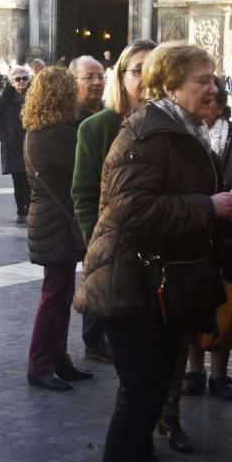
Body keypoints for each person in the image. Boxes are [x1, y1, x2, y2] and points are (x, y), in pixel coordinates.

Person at [75, 42, 232, 462]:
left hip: (155, 284)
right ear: (170, 85)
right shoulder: (149, 134)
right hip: (131, 285)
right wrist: (209, 207)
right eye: (202, 79)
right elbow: (132, 210)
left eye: (213, 78)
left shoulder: (177, 130)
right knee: (138, 397)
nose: (214, 87)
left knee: (152, 392)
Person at [71, 39, 157, 368]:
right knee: (132, 362)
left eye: (155, 69)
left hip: (164, 255)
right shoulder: (97, 128)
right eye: (138, 70)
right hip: (116, 254)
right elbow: (83, 193)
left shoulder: (177, 126)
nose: (147, 78)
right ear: (121, 77)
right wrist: (97, 244)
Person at [182, 77, 232, 401]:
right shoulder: (184, 137)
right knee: (192, 307)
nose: (206, 108)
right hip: (195, 236)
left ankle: (220, 375)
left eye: (212, 103)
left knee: (228, 307)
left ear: (223, 108)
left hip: (230, 238)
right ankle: (194, 370)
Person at [23, 66, 92, 391]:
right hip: (57, 223)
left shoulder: (38, 130)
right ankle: (39, 364)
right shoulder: (58, 135)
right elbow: (87, 167)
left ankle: (59, 359)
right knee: (54, 296)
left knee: (60, 294)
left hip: (49, 219)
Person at [0, 65, 30, 221]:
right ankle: (20, 209)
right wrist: (5, 137)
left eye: (24, 78)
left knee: (29, 180)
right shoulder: (5, 100)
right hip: (13, 146)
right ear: (12, 81)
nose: (21, 82)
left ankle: (28, 209)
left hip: (31, 146)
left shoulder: (34, 97)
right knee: (18, 179)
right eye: (18, 79)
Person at [70, 56, 105, 123]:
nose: (97, 82)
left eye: (101, 77)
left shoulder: (113, 113)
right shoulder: (68, 118)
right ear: (73, 82)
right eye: (89, 77)